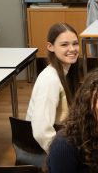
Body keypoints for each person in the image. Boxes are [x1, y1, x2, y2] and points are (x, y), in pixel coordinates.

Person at [26, 22, 80, 152]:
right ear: (50, 47)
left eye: (75, 43)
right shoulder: (50, 80)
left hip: (61, 139)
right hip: (47, 150)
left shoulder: (65, 72)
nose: (72, 49)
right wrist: (61, 155)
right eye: (64, 45)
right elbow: (41, 131)